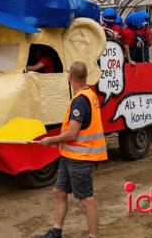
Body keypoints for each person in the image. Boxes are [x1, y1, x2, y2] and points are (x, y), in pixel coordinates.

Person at [36, 61, 107, 238]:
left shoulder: (80, 101)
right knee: (59, 192)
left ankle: (93, 236)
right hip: (70, 155)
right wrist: (60, 142)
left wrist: (52, 139)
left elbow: (73, 133)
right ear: (85, 77)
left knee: (86, 199)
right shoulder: (89, 94)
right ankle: (56, 232)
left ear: (70, 77)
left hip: (80, 157)